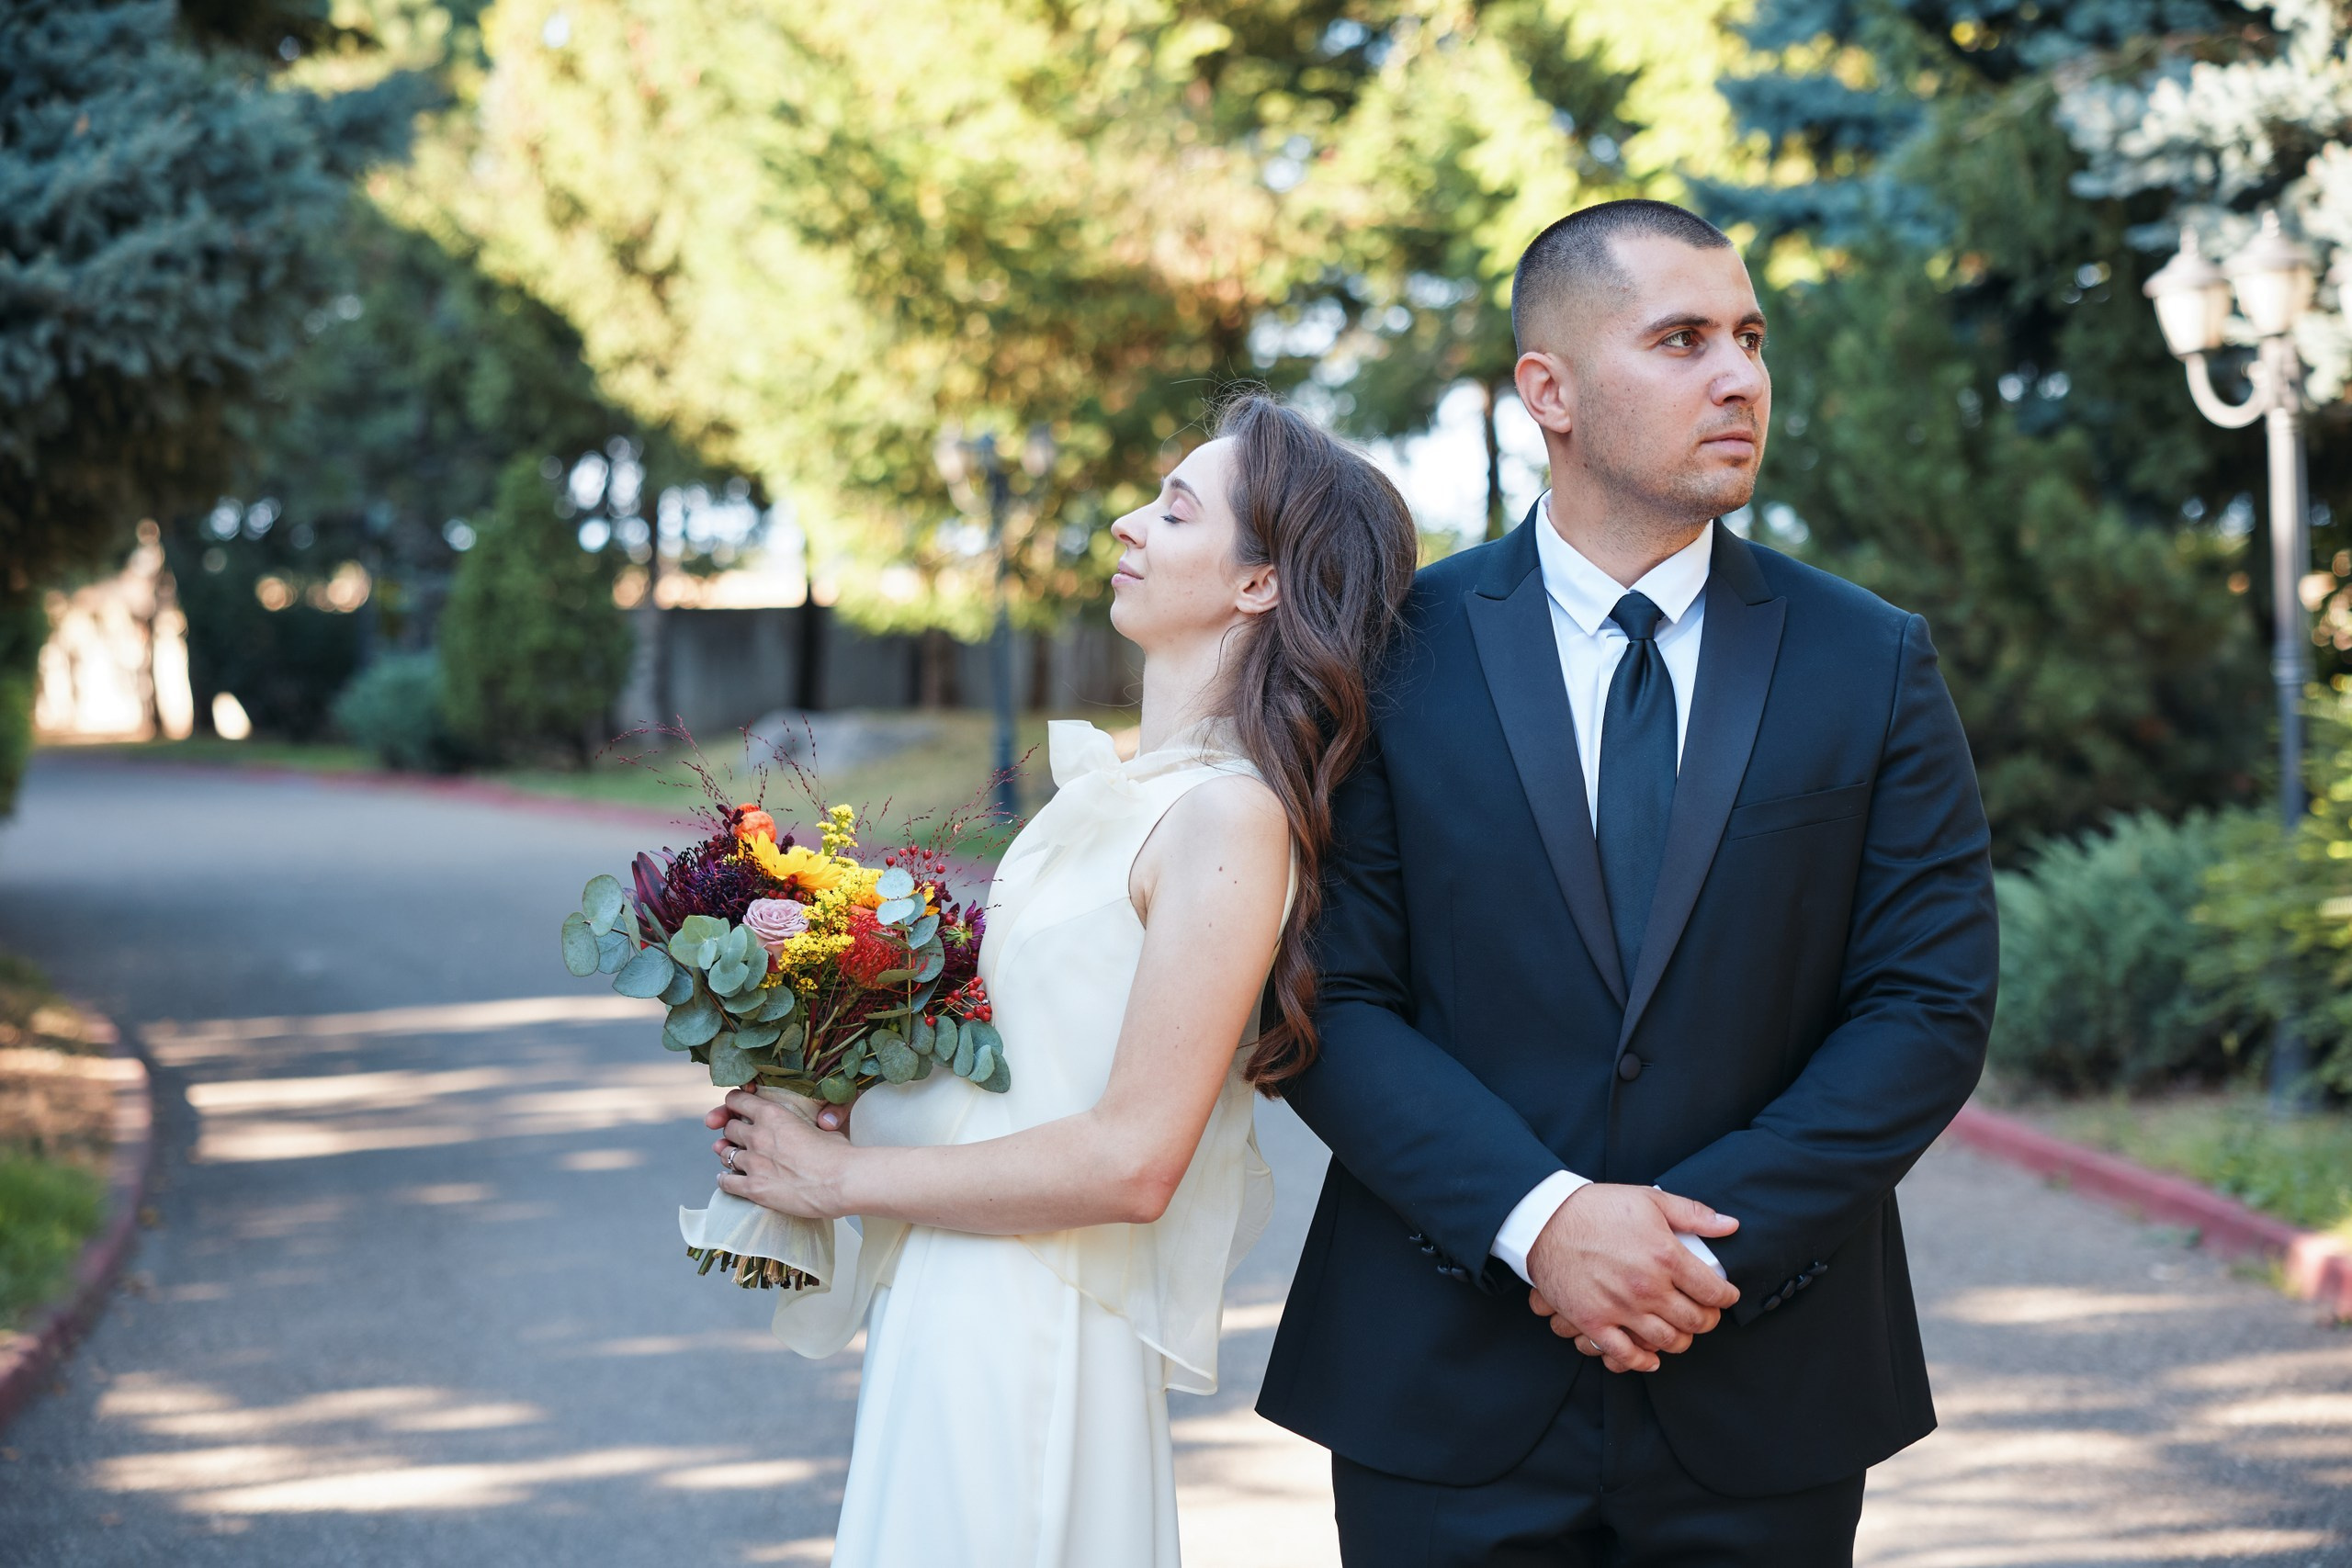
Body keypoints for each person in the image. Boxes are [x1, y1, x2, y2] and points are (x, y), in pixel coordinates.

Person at [1255, 198, 2000, 1564]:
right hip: (1442, 1373)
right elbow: (1325, 993)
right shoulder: (1388, 651)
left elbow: (1927, 1002)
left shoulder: (1869, 656)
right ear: (1551, 389)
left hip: (1766, 1373)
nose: (1740, 376)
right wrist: (1540, 1223)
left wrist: (1692, 1251)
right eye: (1682, 338)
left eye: (1750, 338)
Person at [704, 392, 1419, 1567]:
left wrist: (840, 1175)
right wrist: (832, 1064)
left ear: (1258, 584)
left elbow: (1136, 1159)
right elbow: (1026, 1071)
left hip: (1034, 1325)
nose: (1128, 526)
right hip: (957, 1287)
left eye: (1176, 511)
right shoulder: (1133, 793)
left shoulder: (1227, 819)